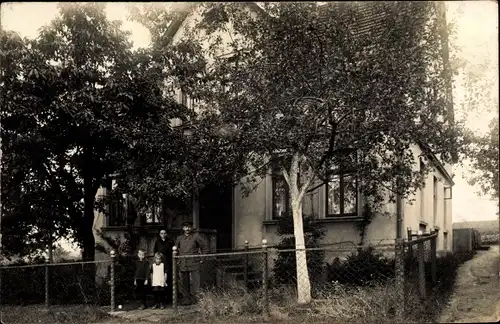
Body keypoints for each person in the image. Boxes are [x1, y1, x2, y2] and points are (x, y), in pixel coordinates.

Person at [175, 221, 209, 306]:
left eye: (189, 227)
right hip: (183, 262)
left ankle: (196, 299)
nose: (187, 229)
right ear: (183, 228)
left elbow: (205, 247)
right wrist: (178, 261)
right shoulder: (179, 238)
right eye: (185, 227)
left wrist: (202, 258)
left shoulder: (196, 236)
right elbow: (175, 250)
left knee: (196, 282)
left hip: (194, 262)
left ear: (191, 228)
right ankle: (186, 299)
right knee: (184, 282)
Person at [153, 228, 174, 305]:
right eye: (161, 233)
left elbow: (173, 252)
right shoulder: (157, 242)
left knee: (168, 280)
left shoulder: (170, 242)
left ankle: (169, 298)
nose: (163, 234)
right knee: (159, 280)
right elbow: (155, 252)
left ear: (166, 234)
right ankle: (161, 300)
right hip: (160, 262)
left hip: (168, 262)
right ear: (159, 234)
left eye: (164, 233)